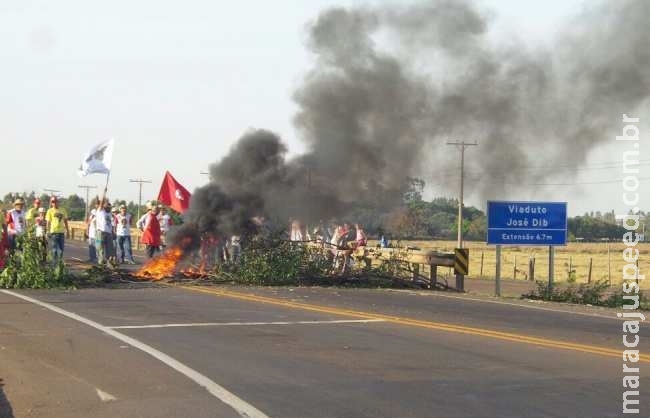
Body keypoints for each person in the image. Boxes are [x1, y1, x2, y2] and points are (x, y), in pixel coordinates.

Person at [45, 196, 69, 263]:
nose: (54, 203)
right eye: (52, 201)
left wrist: (67, 230)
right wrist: (47, 231)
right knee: (54, 249)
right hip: (54, 232)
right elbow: (48, 222)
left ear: (57, 202)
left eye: (55, 201)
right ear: (51, 203)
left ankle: (59, 263)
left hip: (61, 232)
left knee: (61, 250)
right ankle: (54, 264)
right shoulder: (50, 211)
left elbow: (65, 221)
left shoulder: (63, 210)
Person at [95, 199, 115, 265]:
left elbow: (110, 224)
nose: (109, 208)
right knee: (100, 248)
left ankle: (108, 262)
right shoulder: (100, 211)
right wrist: (104, 192)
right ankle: (100, 262)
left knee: (109, 248)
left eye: (110, 207)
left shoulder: (109, 214)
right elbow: (101, 202)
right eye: (108, 207)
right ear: (104, 206)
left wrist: (113, 232)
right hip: (100, 232)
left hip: (108, 233)